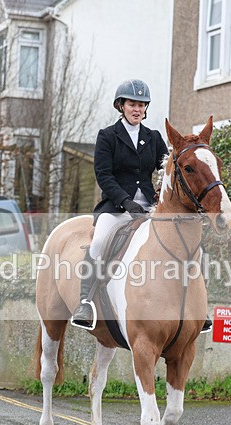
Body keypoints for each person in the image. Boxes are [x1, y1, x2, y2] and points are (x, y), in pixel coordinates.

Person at [71, 79, 168, 329]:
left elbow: (167, 168)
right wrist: (125, 201)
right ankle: (85, 302)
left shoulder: (154, 137)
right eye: (132, 104)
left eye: (142, 105)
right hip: (115, 209)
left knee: (176, 240)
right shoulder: (108, 136)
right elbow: (103, 175)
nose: (137, 109)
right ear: (121, 106)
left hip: (148, 209)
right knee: (100, 240)